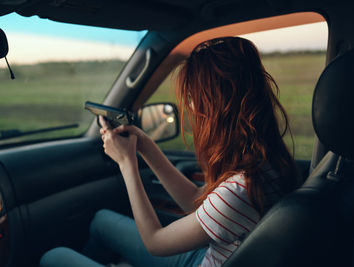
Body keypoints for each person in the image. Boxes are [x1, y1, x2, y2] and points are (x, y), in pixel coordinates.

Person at [40, 36, 299, 267]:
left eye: (194, 99)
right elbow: (196, 201)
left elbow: (155, 242)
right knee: (101, 220)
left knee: (53, 257)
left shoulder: (237, 192)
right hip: (209, 255)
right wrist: (145, 146)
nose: (190, 107)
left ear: (215, 107)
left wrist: (125, 163)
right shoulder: (264, 162)